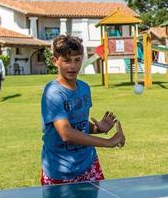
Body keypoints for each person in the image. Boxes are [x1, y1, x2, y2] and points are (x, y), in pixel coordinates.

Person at [41, 34, 125, 185]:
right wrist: (108, 142)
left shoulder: (84, 88)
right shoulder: (53, 93)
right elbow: (66, 133)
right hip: (60, 170)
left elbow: (78, 125)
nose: (72, 66)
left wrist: (98, 128)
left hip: (88, 164)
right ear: (55, 61)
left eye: (77, 60)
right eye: (66, 60)